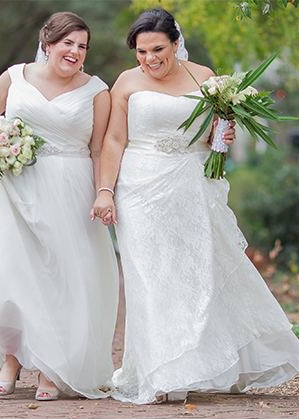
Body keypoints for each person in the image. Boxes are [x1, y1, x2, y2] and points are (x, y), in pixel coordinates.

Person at [92, 8, 299, 405]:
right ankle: (162, 371)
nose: (149, 59)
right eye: (141, 51)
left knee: (191, 275)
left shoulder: (204, 78)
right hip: (139, 188)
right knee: (149, 277)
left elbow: (210, 141)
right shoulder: (126, 82)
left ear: (175, 43)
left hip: (190, 184)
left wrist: (223, 135)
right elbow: (115, 140)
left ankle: (193, 362)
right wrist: (105, 190)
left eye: (157, 49)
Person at [0, 12, 118, 401]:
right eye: (68, 43)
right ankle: (12, 357)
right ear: (47, 44)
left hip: (69, 189)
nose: (75, 52)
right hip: (12, 188)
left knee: (61, 275)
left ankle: (51, 366)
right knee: (12, 273)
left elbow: (98, 147)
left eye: (82, 46)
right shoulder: (15, 77)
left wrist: (104, 191)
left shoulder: (97, 90)